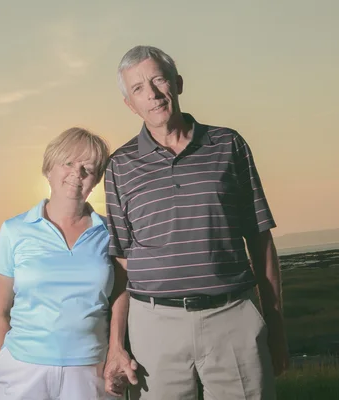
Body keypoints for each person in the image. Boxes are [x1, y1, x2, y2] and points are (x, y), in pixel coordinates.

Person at [103, 45, 289, 400]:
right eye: (139, 88)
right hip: (154, 328)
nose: (153, 94)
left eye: (159, 80)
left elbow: (261, 240)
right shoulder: (119, 166)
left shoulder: (228, 144)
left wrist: (276, 325)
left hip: (233, 316)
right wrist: (116, 345)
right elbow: (122, 266)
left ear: (178, 83)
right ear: (130, 104)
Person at [0, 127, 117, 400]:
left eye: (88, 168)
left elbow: (120, 300)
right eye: (67, 163)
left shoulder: (108, 233)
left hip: (90, 371)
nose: (76, 174)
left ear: (95, 180)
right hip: (23, 371)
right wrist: (14, 364)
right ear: (48, 169)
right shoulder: (14, 231)